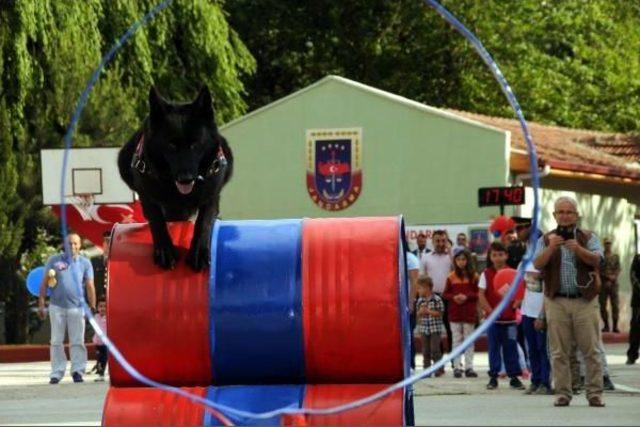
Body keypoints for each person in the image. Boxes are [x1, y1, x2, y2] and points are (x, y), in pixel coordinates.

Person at [533, 196, 604, 407]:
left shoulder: (588, 236)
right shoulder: (546, 240)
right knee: (558, 351)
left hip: (584, 300)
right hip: (556, 300)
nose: (564, 215)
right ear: (554, 215)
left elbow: (598, 259)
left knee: (591, 350)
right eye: (560, 212)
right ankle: (563, 392)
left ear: (576, 215)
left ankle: (594, 393)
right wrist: (551, 248)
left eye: (569, 212)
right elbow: (537, 264)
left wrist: (578, 250)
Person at [38, 233, 96, 384]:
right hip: (56, 307)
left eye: (75, 243)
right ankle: (57, 372)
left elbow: (90, 285)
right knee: (56, 341)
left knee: (78, 341)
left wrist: (93, 305)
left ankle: (77, 371)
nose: (72, 246)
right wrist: (41, 303)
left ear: (80, 245)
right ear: (64, 245)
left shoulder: (85, 263)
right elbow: (44, 283)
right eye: (69, 243)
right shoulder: (54, 260)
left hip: (77, 308)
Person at [478, 241, 525, 391]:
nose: (498, 258)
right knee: (493, 348)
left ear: (506, 256)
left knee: (510, 347)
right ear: (490, 257)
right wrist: (489, 311)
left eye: (501, 254)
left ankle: (514, 377)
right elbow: (481, 294)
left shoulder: (512, 274)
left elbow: (520, 291)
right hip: (492, 320)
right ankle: (493, 377)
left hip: (510, 319)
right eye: (494, 255)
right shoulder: (485, 274)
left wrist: (517, 303)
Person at [442, 248, 479, 378]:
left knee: (469, 340)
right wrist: (454, 297)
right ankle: (457, 367)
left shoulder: (474, 276)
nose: (461, 262)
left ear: (468, 260)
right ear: (455, 261)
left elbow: (478, 293)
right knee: (456, 341)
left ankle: (469, 367)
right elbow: (445, 294)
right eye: (458, 259)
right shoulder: (451, 277)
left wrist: (467, 296)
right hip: (455, 313)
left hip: (469, 312)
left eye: (463, 259)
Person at [521, 263, 552, 395]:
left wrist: (542, 315)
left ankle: (545, 382)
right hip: (526, 312)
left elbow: (548, 292)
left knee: (542, 348)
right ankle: (535, 380)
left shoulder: (546, 264)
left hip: (540, 314)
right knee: (532, 349)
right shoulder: (524, 263)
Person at [420, 230, 453, 355]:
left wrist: (450, 253)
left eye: (443, 240)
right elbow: (422, 278)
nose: (440, 243)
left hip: (449, 297)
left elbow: (458, 272)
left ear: (447, 241)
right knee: (435, 330)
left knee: (451, 328)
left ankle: (454, 359)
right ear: (432, 242)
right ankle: (439, 360)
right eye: (437, 241)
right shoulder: (426, 257)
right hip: (432, 297)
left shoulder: (452, 257)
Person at [416, 275, 445, 376]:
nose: (418, 290)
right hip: (424, 328)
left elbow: (440, 313)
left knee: (435, 349)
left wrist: (428, 311)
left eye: (420, 288)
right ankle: (426, 370)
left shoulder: (437, 299)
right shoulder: (420, 301)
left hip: (434, 329)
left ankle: (439, 369)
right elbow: (418, 314)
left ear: (427, 287)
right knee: (425, 350)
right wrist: (421, 311)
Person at [599, 237, 621, 333]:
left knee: (615, 305)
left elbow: (618, 269)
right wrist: (607, 278)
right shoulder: (600, 256)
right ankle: (606, 326)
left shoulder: (615, 257)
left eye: (609, 243)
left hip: (614, 285)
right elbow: (598, 269)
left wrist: (613, 277)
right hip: (603, 284)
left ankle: (615, 327)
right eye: (606, 243)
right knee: (603, 306)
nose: (608, 245)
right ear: (604, 244)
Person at [406, 251, 420, 369]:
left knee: (408, 334)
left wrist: (411, 302)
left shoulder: (410, 258)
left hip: (406, 303)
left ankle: (411, 364)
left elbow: (414, 282)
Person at [627, 253, 640, 365]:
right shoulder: (638, 257)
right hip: (638, 299)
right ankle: (632, 355)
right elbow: (633, 275)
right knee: (636, 328)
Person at [92, 297, 108, 382]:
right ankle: (100, 373)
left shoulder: (109, 317)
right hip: (98, 343)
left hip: (106, 343)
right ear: (97, 308)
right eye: (100, 306)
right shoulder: (96, 316)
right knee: (99, 358)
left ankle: (102, 373)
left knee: (104, 358)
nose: (102, 308)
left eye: (105, 306)